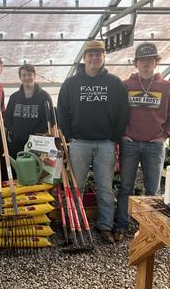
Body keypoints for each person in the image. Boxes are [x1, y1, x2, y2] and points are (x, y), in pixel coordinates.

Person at [57, 40, 129, 244]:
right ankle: (75, 224)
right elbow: (61, 109)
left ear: (104, 57)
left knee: (105, 188)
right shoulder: (71, 83)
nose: (95, 57)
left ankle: (105, 226)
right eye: (91, 54)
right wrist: (69, 134)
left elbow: (123, 111)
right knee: (76, 187)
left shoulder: (114, 83)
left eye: (99, 54)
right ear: (84, 57)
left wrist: (115, 137)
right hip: (79, 143)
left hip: (105, 143)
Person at [114, 42, 170, 241]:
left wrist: (164, 135)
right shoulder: (125, 86)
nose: (145, 63)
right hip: (130, 143)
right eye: (141, 60)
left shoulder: (167, 87)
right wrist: (123, 134)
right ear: (136, 63)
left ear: (156, 62)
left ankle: (150, 229)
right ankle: (122, 225)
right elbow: (116, 112)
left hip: (154, 145)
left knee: (153, 189)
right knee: (126, 187)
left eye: (150, 59)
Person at [5, 64, 53, 159]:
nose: (27, 78)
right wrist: (12, 131)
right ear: (20, 77)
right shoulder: (14, 97)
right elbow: (8, 117)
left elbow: (48, 119)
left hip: (36, 143)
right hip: (16, 142)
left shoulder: (45, 97)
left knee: (34, 170)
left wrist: (36, 134)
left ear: (34, 76)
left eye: (29, 74)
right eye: (24, 75)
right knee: (17, 170)